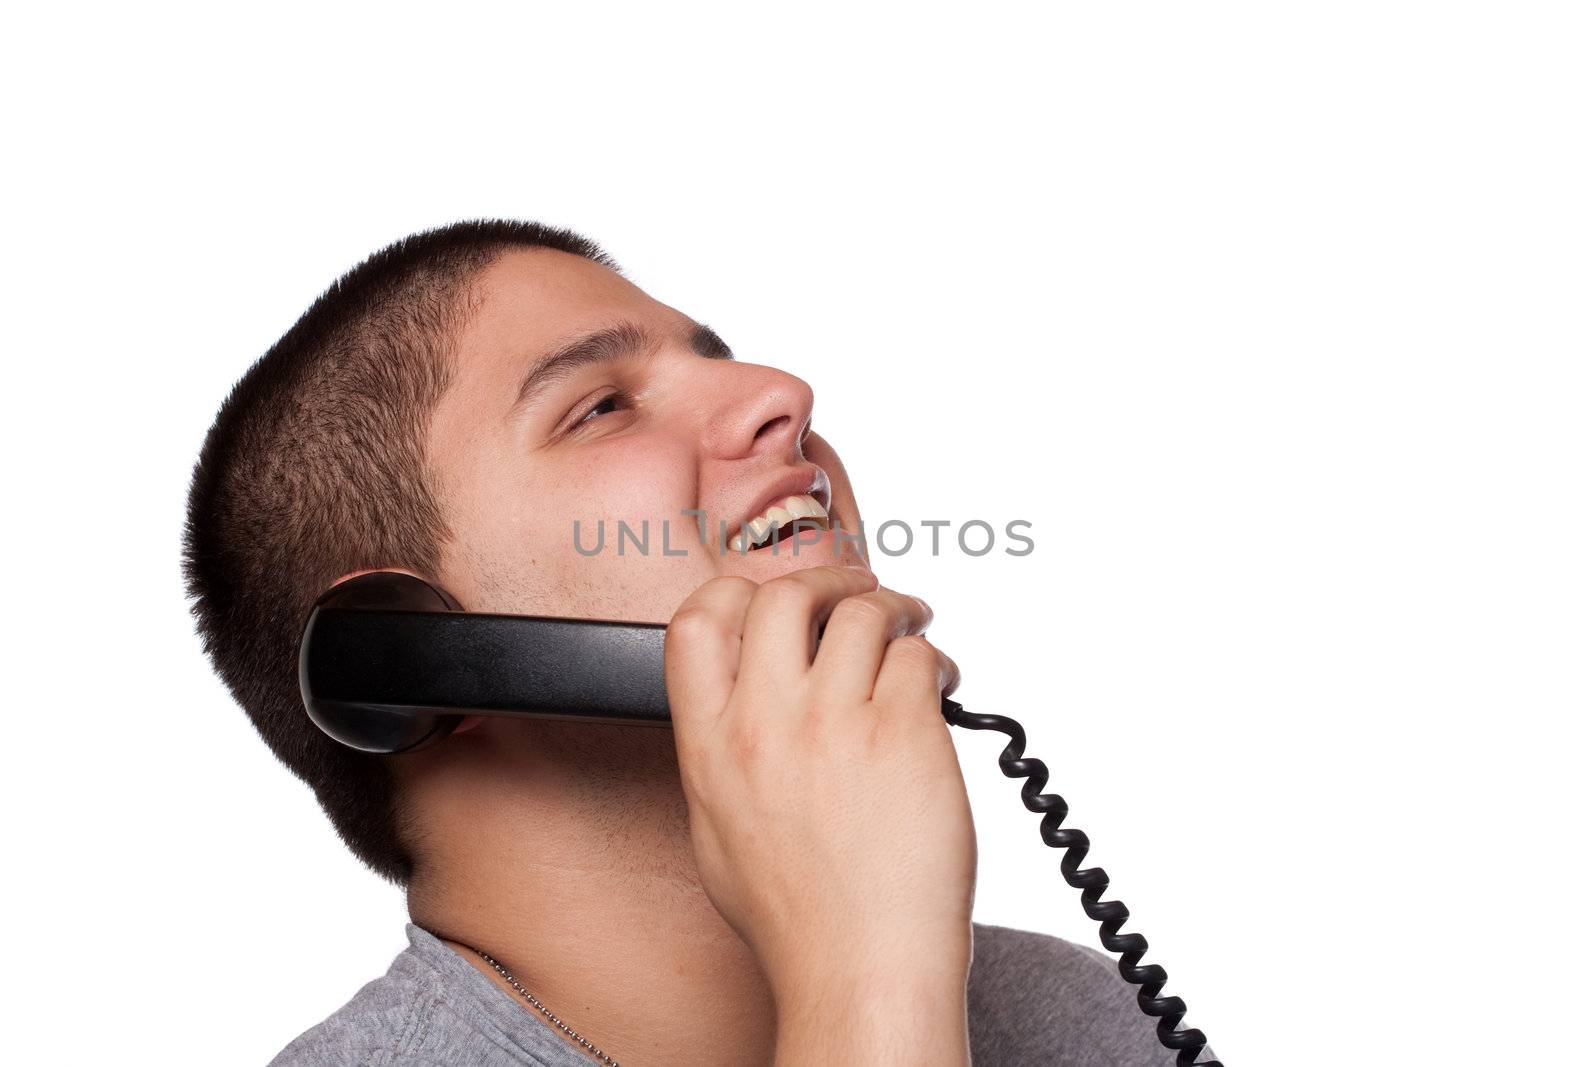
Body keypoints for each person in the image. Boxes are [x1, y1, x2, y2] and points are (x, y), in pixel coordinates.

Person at [183, 220, 1191, 1065]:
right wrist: (864, 974)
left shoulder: (1068, 1015)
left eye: (716, 356)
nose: (781, 392)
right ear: (401, 653)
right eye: (604, 405)